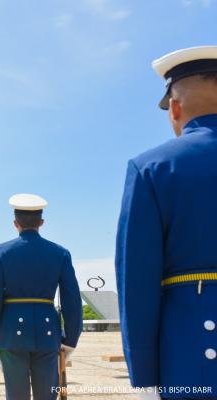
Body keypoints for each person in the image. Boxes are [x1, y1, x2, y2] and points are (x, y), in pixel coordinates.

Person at [116, 46, 217, 400]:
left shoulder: (151, 168)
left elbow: (137, 282)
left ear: (174, 108)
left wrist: (144, 380)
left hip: (194, 362)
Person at [0, 194, 82, 400]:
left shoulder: (0, 252)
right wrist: (71, 340)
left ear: (15, 223)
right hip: (48, 336)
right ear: (41, 222)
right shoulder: (60, 253)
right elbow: (72, 301)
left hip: (11, 335)